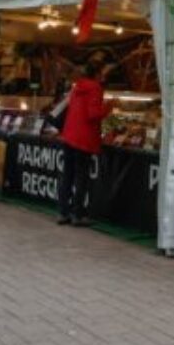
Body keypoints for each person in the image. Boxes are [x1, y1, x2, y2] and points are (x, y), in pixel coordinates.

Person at [57, 62, 114, 226]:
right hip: (83, 139)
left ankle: (63, 213)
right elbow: (93, 114)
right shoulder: (95, 88)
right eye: (102, 72)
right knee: (81, 177)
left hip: (69, 135)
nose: (103, 75)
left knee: (67, 175)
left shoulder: (77, 87)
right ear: (96, 74)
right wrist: (109, 106)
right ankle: (78, 215)